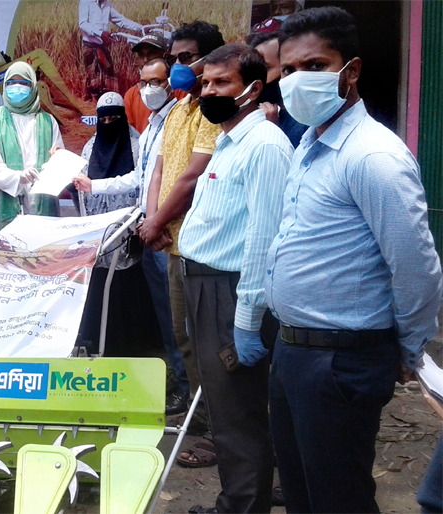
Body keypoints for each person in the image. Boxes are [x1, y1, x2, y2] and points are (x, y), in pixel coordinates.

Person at [266, 7, 442, 512]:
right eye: (290, 70)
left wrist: (406, 349)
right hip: (294, 349)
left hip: (342, 360)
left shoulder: (372, 157)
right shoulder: (309, 144)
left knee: (338, 497)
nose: (300, 81)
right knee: (300, 489)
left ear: (353, 70)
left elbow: (417, 268)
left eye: (316, 66)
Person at [177, 44, 292, 513]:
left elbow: (263, 239)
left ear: (253, 88)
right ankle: (238, 501)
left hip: (230, 292)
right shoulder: (230, 140)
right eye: (205, 82)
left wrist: (247, 317)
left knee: (239, 414)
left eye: (221, 83)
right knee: (225, 412)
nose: (208, 91)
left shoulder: (264, 146)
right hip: (206, 287)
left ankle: (243, 507)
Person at [73, 61, 188, 402]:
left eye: (114, 116)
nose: (109, 122)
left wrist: (142, 219)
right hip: (100, 235)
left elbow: (143, 181)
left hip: (137, 232)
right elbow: (83, 182)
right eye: (103, 116)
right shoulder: (91, 147)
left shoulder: (140, 139)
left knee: (145, 298)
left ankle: (155, 363)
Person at [137, 21, 225, 442]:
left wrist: (155, 222)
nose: (178, 68)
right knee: (181, 336)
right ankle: (201, 415)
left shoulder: (214, 109)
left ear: (212, 58)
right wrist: (152, 218)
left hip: (202, 246)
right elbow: (159, 170)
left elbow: (194, 175)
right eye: (174, 59)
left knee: (207, 340)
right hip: (170, 242)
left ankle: (220, 424)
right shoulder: (176, 110)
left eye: (186, 58)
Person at [0, 61, 63, 245]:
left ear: (33, 86)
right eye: (11, 83)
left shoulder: (48, 121)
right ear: (5, 86)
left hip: (43, 200)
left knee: (44, 253)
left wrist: (56, 161)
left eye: (23, 83)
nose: (17, 88)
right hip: (9, 197)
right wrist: (18, 177)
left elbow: (58, 157)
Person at [247, 31, 307, 147]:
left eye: (264, 68)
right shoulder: (251, 111)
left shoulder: (304, 121)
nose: (255, 78)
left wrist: (271, 130)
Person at [78, 0, 143, 99]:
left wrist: (141, 28)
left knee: (109, 76)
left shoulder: (106, 4)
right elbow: (82, 23)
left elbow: (121, 21)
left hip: (102, 46)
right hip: (90, 47)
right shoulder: (86, 2)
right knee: (93, 80)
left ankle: (109, 101)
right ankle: (92, 105)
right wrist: (100, 33)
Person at [123, 34, 167, 133]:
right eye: (141, 55)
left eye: (152, 53)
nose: (146, 60)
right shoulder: (131, 95)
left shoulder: (179, 91)